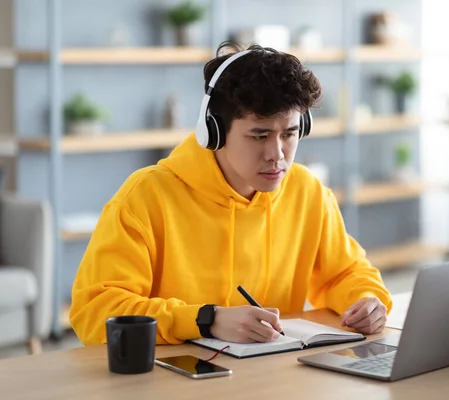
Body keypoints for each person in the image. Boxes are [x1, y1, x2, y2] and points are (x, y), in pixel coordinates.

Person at [69, 42, 393, 346]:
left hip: (273, 376)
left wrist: (365, 299)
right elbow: (97, 310)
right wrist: (205, 320)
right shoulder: (145, 197)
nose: (277, 154)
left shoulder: (308, 193)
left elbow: (345, 273)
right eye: (259, 135)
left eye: (290, 133)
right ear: (214, 130)